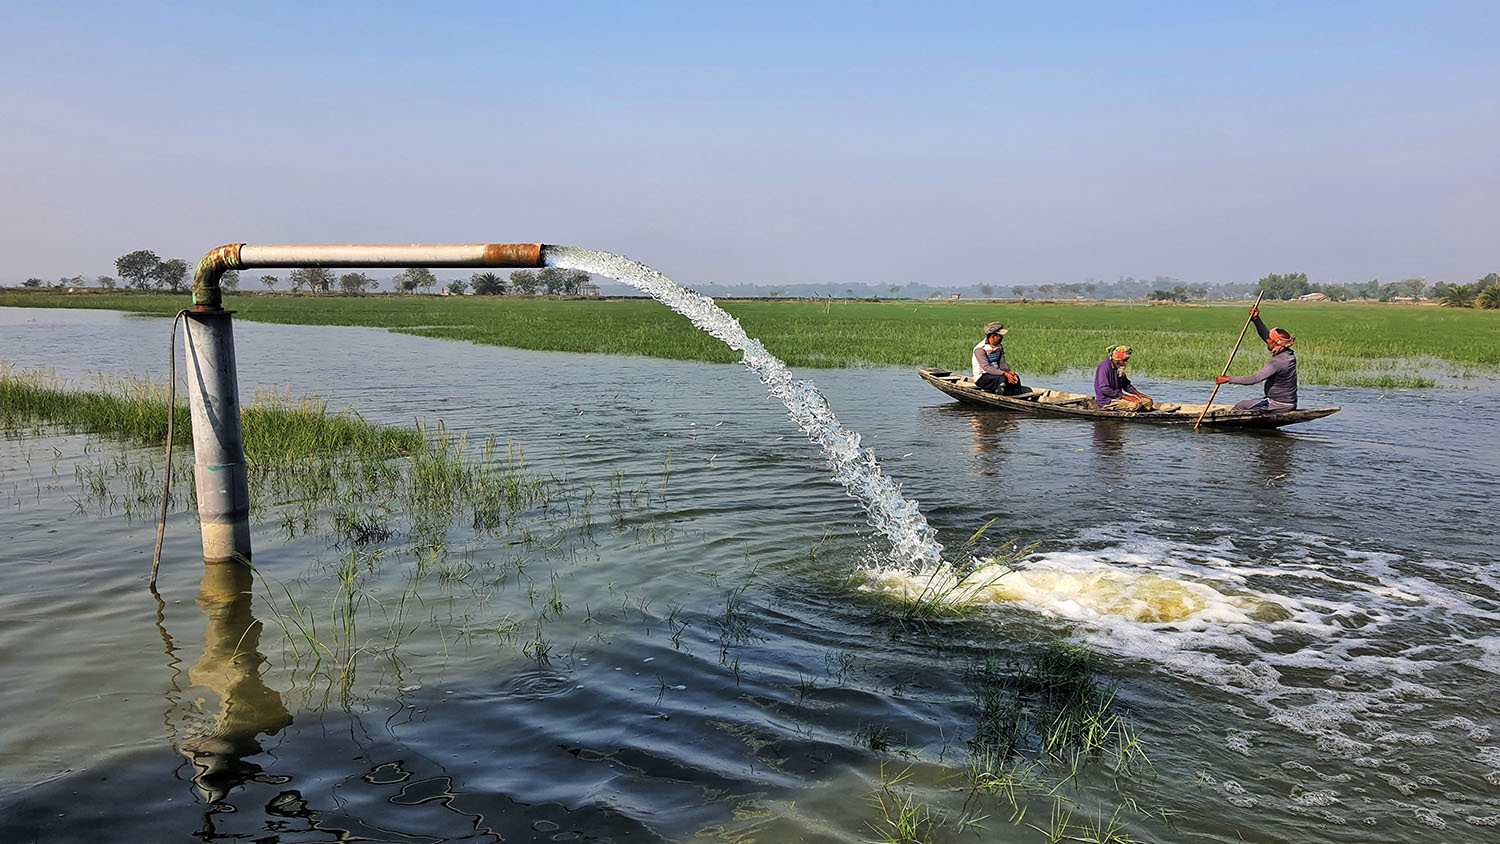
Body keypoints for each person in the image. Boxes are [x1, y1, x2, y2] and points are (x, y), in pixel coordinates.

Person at [1215, 305, 1297, 411]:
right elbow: (1267, 337)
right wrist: (1256, 320)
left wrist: (1228, 379)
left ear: (1277, 344)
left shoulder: (1277, 362)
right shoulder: (1289, 355)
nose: (1267, 340)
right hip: (1288, 402)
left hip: (1277, 404)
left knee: (1241, 405)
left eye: (1270, 340)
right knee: (1249, 404)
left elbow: (1254, 379)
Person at [972, 322, 1027, 395]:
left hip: (997, 374)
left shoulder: (999, 347)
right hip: (982, 377)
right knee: (1003, 378)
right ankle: (1000, 398)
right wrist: (1004, 373)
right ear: (993, 336)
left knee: (1015, 377)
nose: (1002, 337)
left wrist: (1009, 372)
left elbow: (1002, 364)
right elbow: (987, 367)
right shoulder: (980, 349)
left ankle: (1017, 397)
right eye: (1000, 335)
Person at [1094, 345, 1154, 411]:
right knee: (1135, 405)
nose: (1126, 363)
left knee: (1148, 401)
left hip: (1118, 397)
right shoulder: (1104, 366)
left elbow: (1126, 385)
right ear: (1117, 359)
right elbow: (1105, 389)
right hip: (1107, 401)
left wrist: (1138, 394)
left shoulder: (1120, 367)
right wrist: (1127, 397)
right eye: (1124, 360)